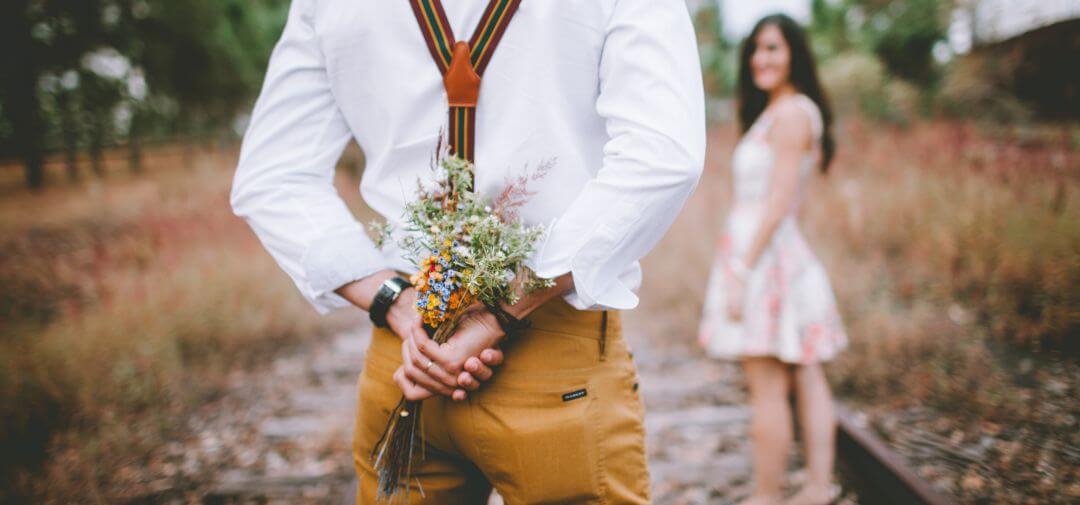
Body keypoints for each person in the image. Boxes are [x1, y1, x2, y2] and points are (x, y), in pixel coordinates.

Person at [230, 0, 706, 503]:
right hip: (551, 356)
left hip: (409, 362)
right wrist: (502, 308)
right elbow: (664, 155)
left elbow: (272, 177)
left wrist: (397, 301)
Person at [696, 13, 849, 505]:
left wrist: (743, 269)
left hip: (766, 259)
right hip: (776, 253)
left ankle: (768, 496)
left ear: (794, 55)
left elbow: (779, 201)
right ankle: (817, 487)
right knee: (805, 371)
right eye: (756, 50)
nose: (761, 59)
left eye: (773, 49)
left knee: (766, 385)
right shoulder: (784, 110)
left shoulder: (790, 114)